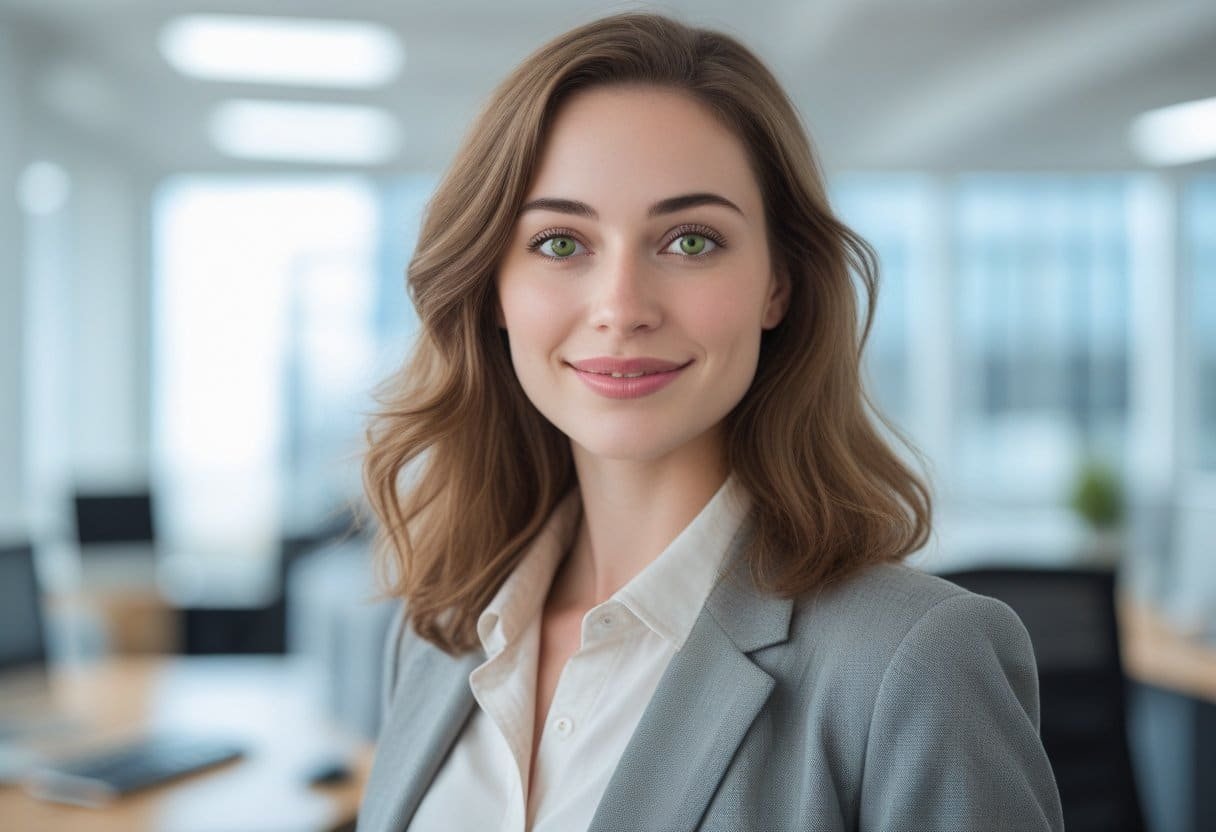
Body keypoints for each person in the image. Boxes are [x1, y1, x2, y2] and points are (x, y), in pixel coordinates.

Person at [358, 11, 1064, 832]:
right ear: (492, 288)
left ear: (779, 285)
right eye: (559, 243)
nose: (621, 309)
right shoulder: (438, 639)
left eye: (691, 241)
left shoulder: (915, 662)